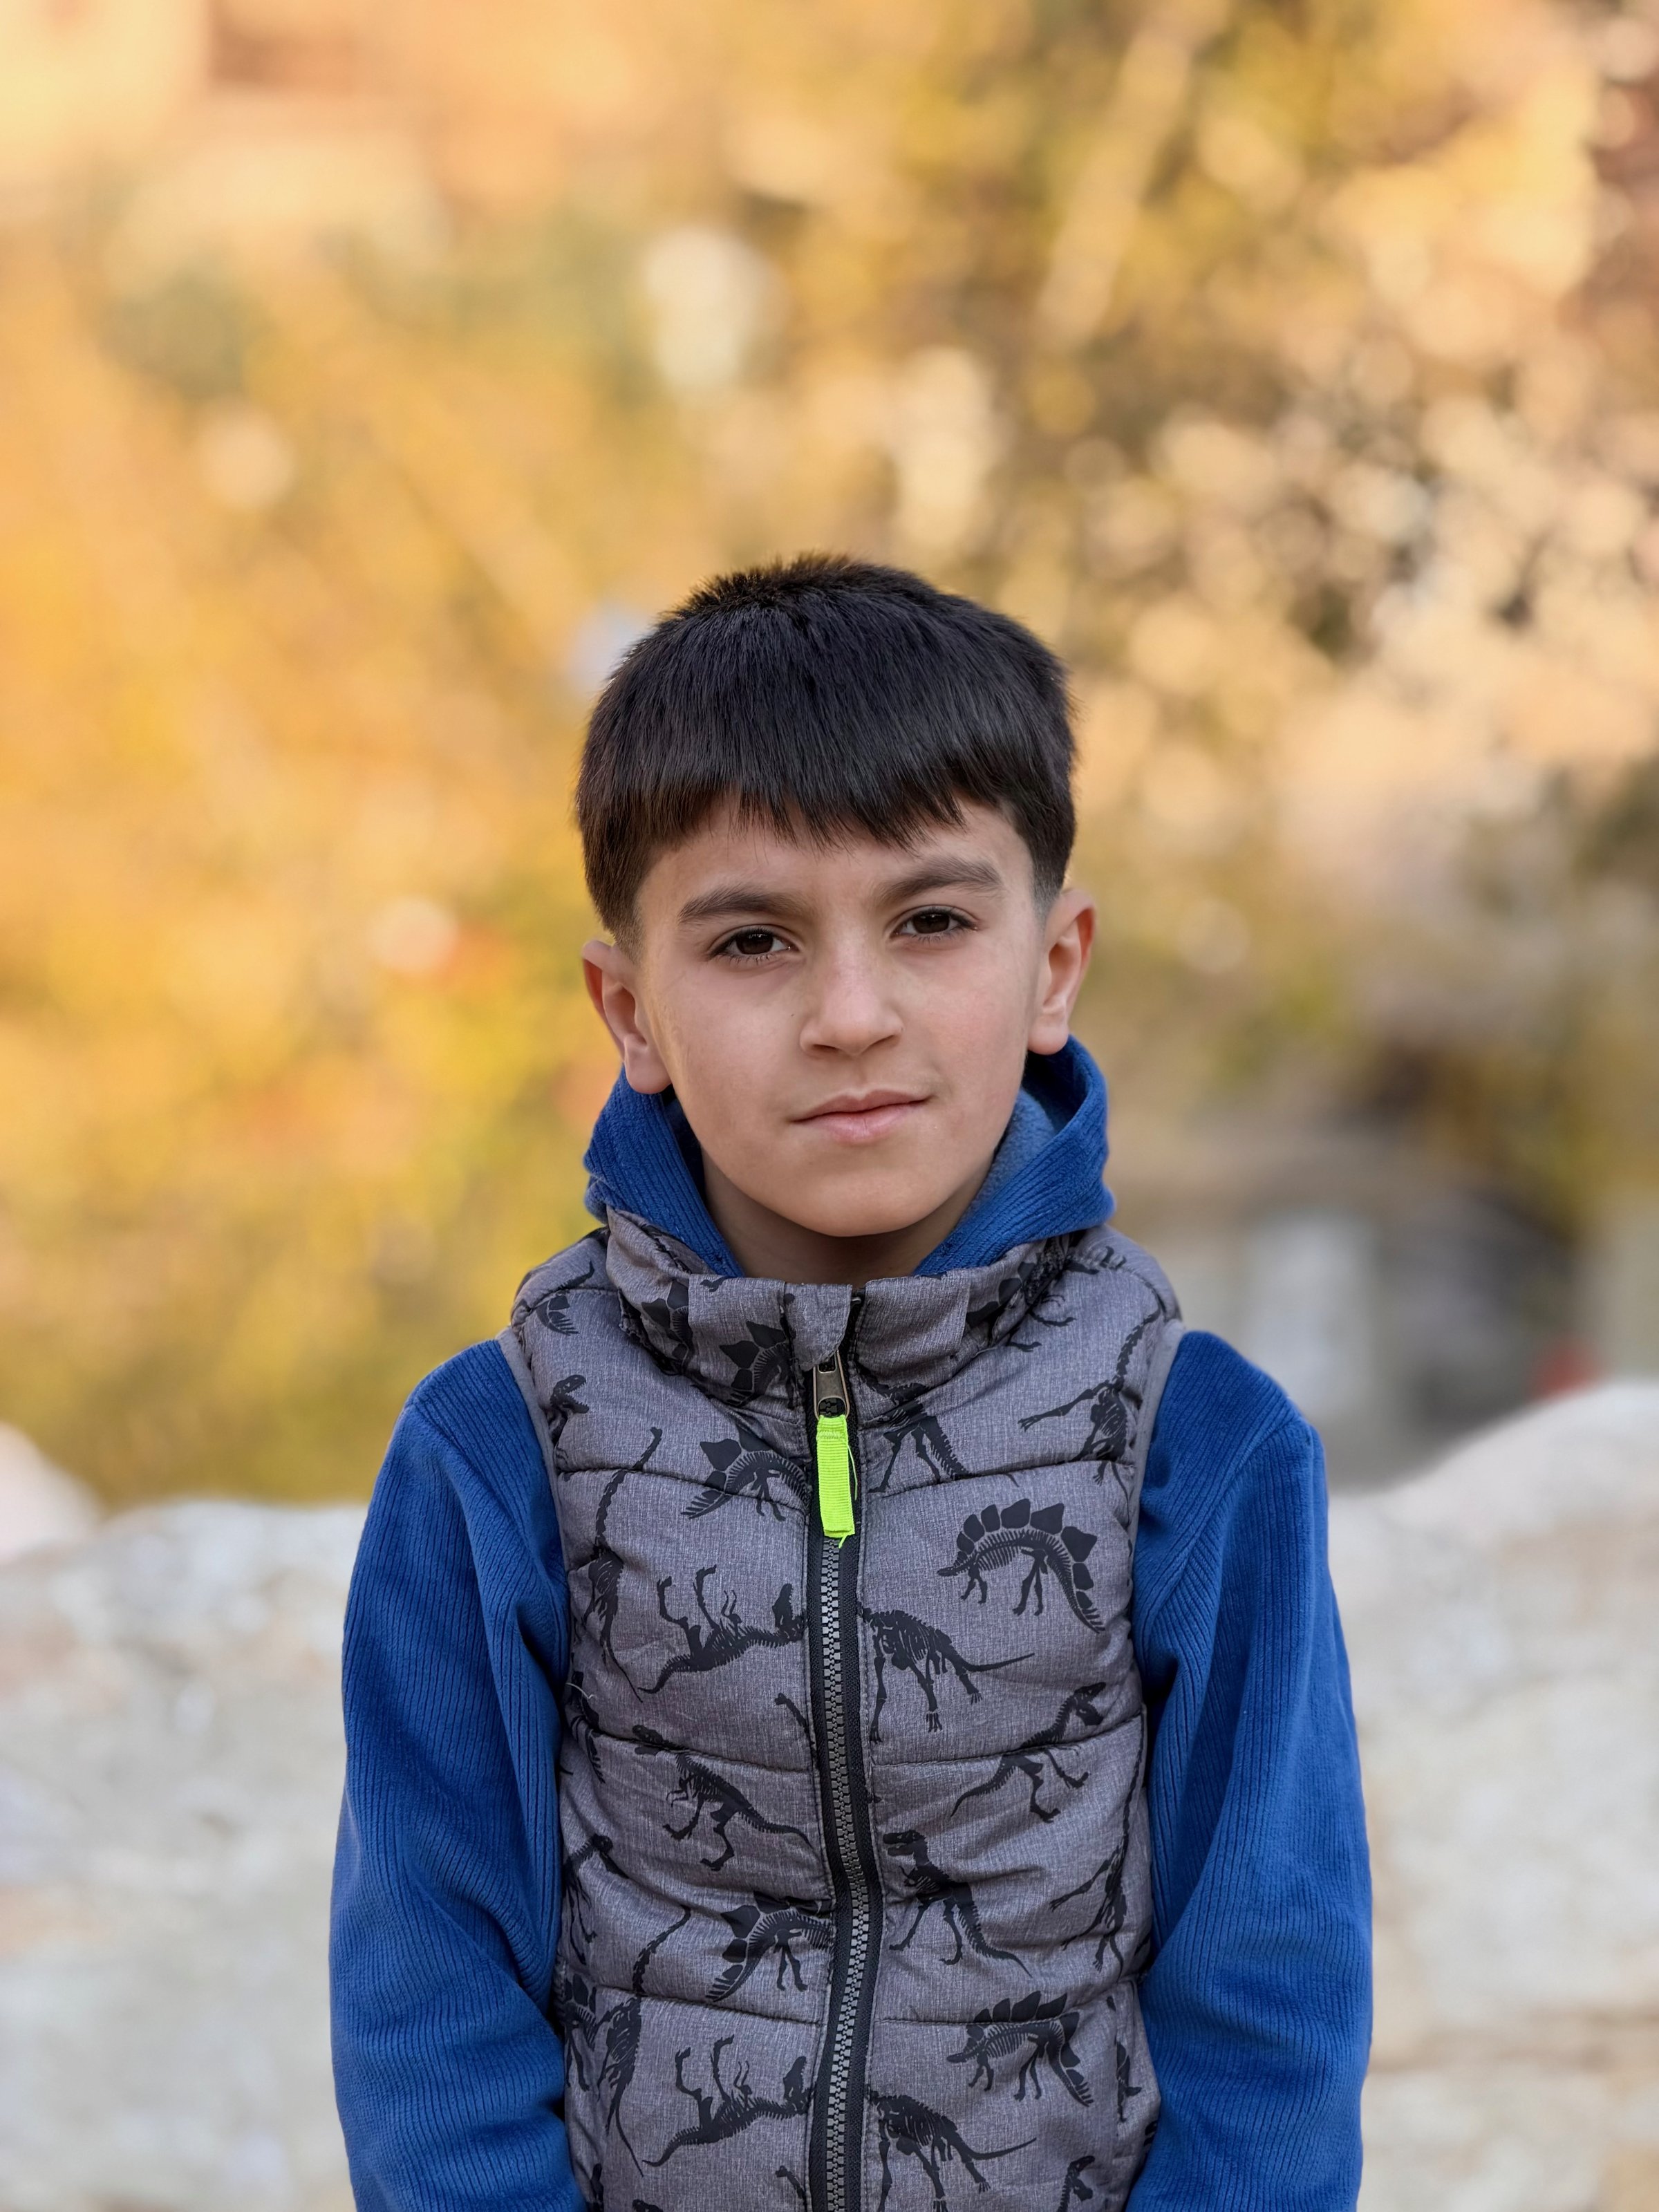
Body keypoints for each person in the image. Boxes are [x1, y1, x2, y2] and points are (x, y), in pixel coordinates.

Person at [330, 554, 1371, 2212]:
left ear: (1055, 962)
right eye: (751, 939)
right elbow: (428, 1987)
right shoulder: (496, 1447)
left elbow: (1272, 1999)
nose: (852, 1014)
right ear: (631, 1007)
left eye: (934, 920)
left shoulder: (1204, 1444)